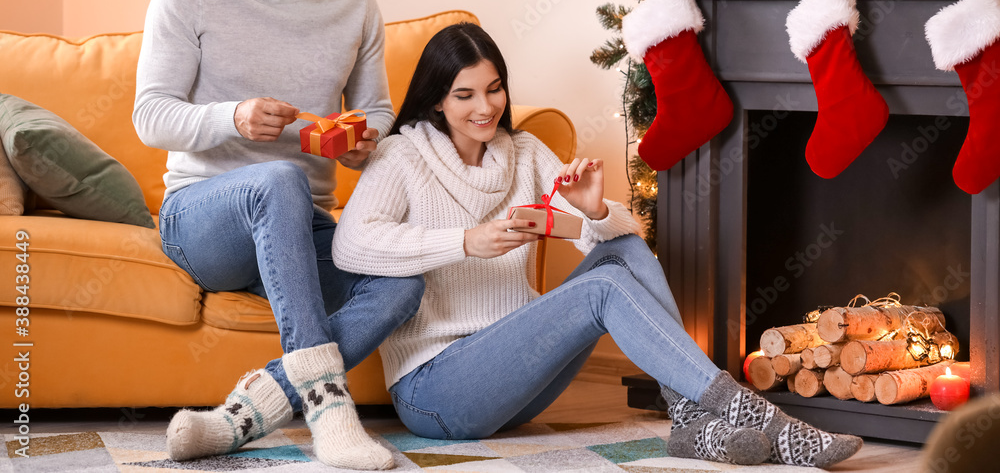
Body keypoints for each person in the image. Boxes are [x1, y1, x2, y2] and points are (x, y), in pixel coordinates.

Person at [331, 23, 863, 469]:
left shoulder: (523, 151)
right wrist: (464, 241)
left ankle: (689, 419)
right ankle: (750, 412)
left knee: (623, 252)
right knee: (604, 286)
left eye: (494, 89)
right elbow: (351, 247)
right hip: (436, 392)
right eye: (464, 94)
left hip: (518, 382)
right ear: (436, 99)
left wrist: (592, 210)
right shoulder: (402, 158)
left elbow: (606, 237)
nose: (485, 107)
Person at [133, 0, 422, 471]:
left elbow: (375, 112)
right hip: (201, 219)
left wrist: (363, 142)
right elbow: (150, 116)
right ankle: (328, 410)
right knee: (279, 178)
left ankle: (239, 417)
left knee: (401, 284)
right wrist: (231, 118)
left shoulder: (357, 7)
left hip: (299, 228)